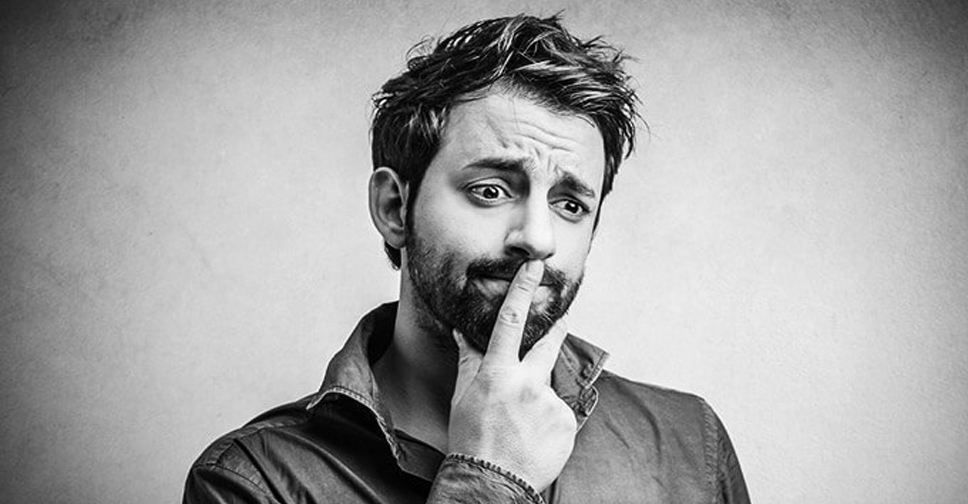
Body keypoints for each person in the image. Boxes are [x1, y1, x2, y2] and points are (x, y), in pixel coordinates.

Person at [183, 14, 750, 504]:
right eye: (491, 190)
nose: (538, 238)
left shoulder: (688, 446)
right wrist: (489, 481)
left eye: (570, 204)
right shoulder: (255, 481)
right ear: (394, 208)